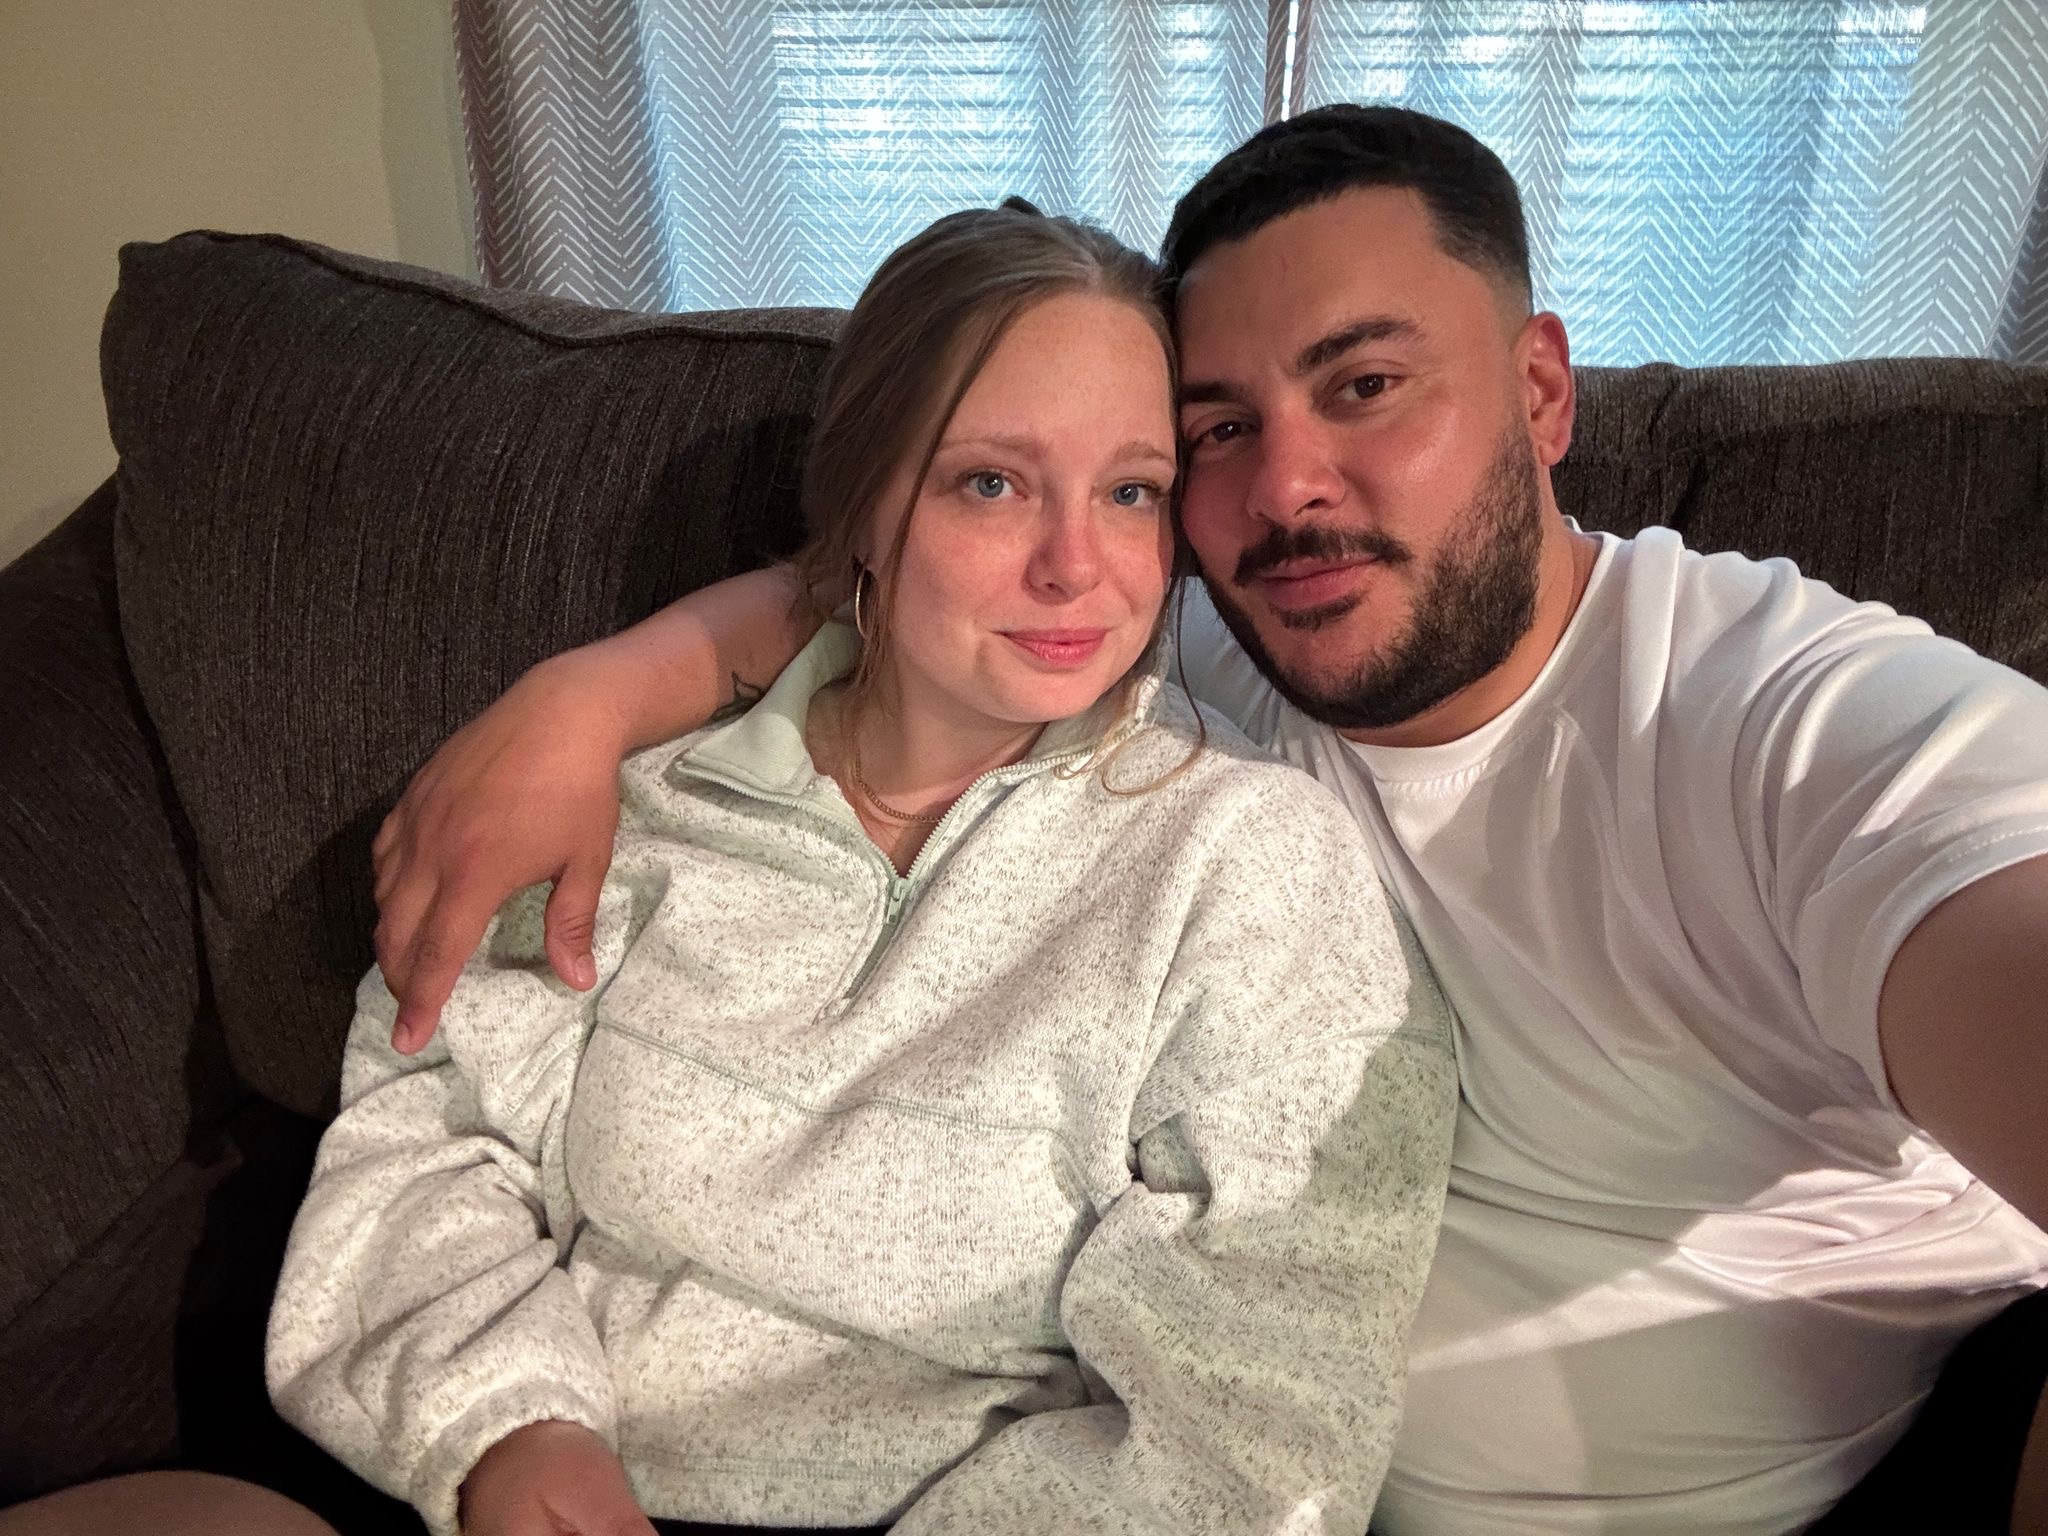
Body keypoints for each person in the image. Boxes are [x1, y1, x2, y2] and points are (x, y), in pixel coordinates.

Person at [370, 106, 2048, 1534]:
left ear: (1543, 393)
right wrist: (593, 696)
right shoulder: (1201, 631)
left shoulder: (1797, 727)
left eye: (1366, 384)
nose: (1286, 487)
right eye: (1220, 432)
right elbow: (899, 606)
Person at [261, 201, 1457, 1536]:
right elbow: (429, 1137)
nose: (1076, 567)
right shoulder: (632, 805)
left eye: (1132, 492)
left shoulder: (1250, 866)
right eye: (991, 483)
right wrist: (511, 1432)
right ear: (865, 511)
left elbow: (1256, 1430)